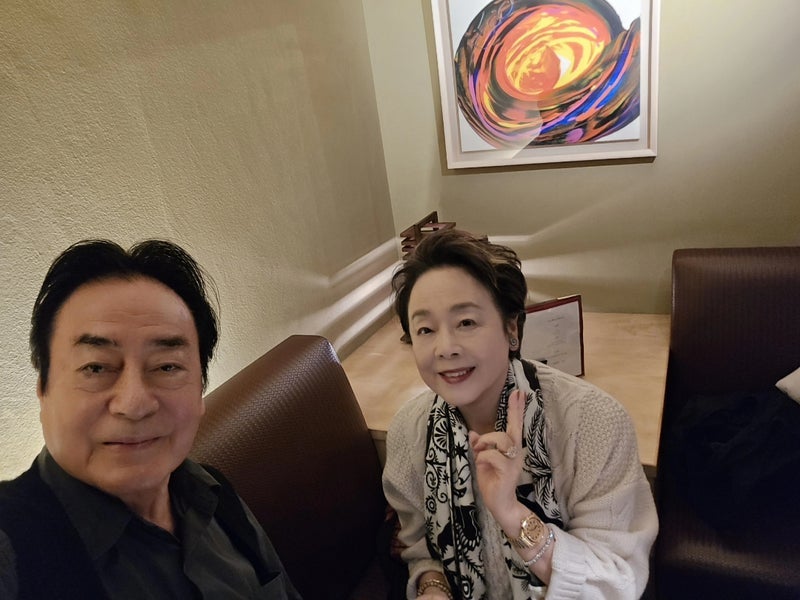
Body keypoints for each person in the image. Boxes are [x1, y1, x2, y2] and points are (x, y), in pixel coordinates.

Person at [0, 239, 301, 599]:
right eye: (96, 368)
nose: (135, 404)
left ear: (200, 389)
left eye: (167, 367)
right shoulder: (11, 551)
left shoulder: (212, 492)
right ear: (43, 389)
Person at [382, 229, 658, 600]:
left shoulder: (594, 423)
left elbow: (616, 583)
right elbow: (421, 549)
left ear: (511, 328)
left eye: (466, 322)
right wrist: (432, 586)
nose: (445, 348)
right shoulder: (409, 431)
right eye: (426, 329)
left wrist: (513, 515)